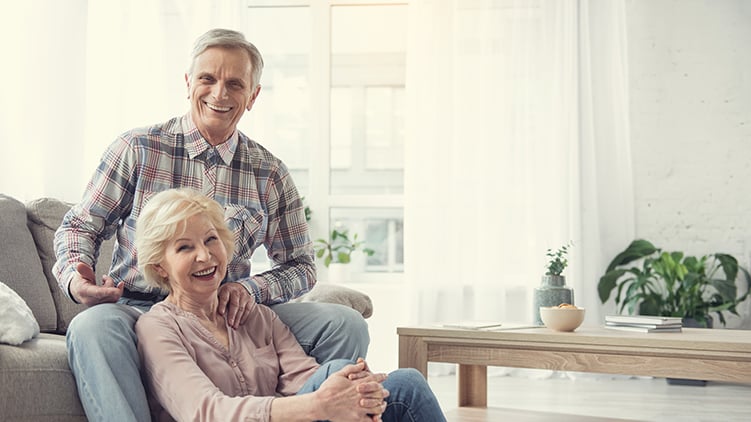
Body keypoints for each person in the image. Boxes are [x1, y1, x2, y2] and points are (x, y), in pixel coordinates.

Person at [53, 28, 369, 421]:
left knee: (343, 322)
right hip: (137, 306)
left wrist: (247, 288)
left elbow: (301, 267)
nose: (219, 93)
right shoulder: (137, 148)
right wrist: (75, 278)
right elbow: (79, 226)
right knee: (92, 328)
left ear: (252, 96)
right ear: (188, 83)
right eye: (208, 79)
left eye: (235, 83)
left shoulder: (268, 173)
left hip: (229, 312)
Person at [134, 188, 446, 422]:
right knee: (339, 376)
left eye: (211, 240)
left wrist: (356, 389)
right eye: (185, 247)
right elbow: (205, 411)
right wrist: (319, 404)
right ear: (160, 266)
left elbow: (305, 378)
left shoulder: (254, 315)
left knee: (406, 383)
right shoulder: (158, 328)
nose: (204, 256)